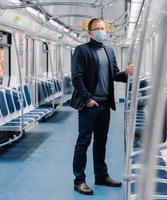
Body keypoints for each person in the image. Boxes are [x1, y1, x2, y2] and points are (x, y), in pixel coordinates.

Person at [70, 18, 134, 195]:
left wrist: (126, 74)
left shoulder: (109, 50)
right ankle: (79, 180)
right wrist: (87, 99)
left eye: (103, 28)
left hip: (105, 104)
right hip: (90, 105)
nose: (101, 31)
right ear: (90, 33)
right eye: (97, 28)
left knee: (101, 142)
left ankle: (101, 176)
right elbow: (77, 77)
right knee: (83, 143)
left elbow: (114, 74)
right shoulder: (81, 51)